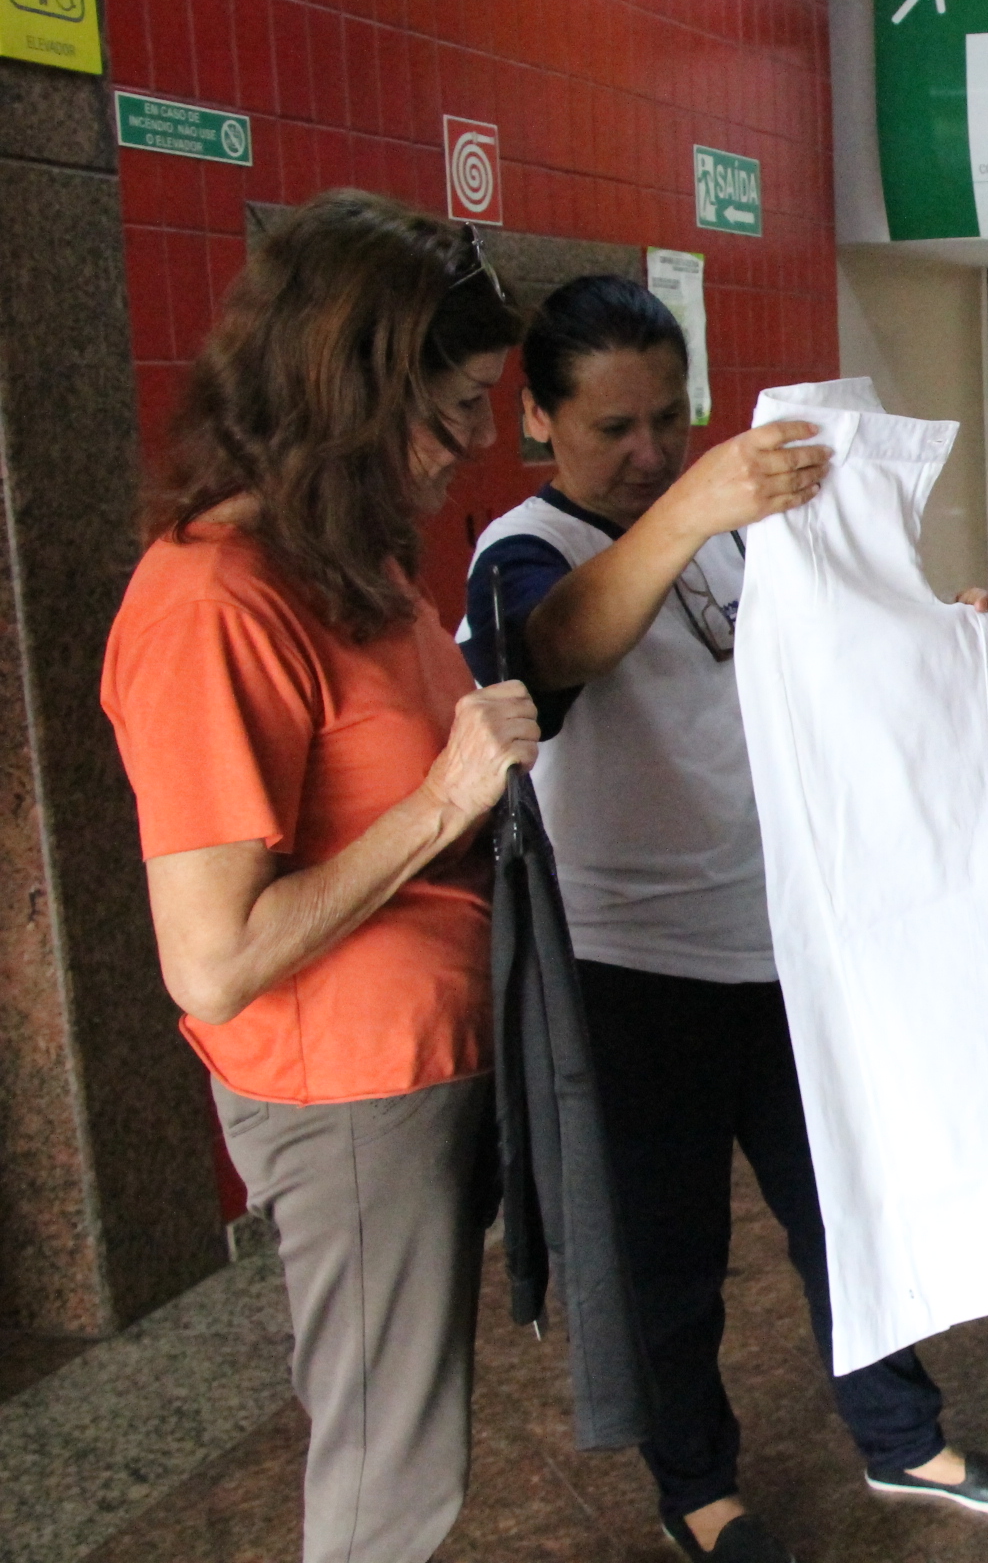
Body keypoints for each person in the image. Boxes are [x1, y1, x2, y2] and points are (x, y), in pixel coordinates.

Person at [460, 275, 988, 1563]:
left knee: (847, 1209)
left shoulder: (731, 538)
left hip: (782, 942)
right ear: (538, 418)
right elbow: (553, 654)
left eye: (669, 418)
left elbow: (813, 684)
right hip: (629, 970)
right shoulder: (524, 549)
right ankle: (699, 1490)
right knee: (671, 1255)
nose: (649, 451)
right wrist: (694, 503)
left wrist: (925, 647)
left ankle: (902, 1437)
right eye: (613, 427)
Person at [100, 190, 535, 1563]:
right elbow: (213, 959)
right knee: (386, 1471)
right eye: (453, 406)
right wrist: (443, 800)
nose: (477, 438)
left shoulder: (339, 560)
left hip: (420, 1070)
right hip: (348, 1094)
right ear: (353, 395)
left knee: (396, 1432)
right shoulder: (213, 603)